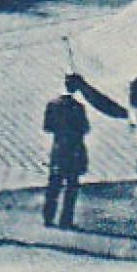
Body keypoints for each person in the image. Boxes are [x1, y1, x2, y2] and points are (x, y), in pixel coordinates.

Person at [42, 74, 90, 229]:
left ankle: (48, 217)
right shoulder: (79, 108)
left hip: (58, 149)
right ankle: (66, 220)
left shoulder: (52, 105)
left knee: (54, 185)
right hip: (74, 150)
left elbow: (47, 127)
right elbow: (85, 129)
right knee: (71, 187)